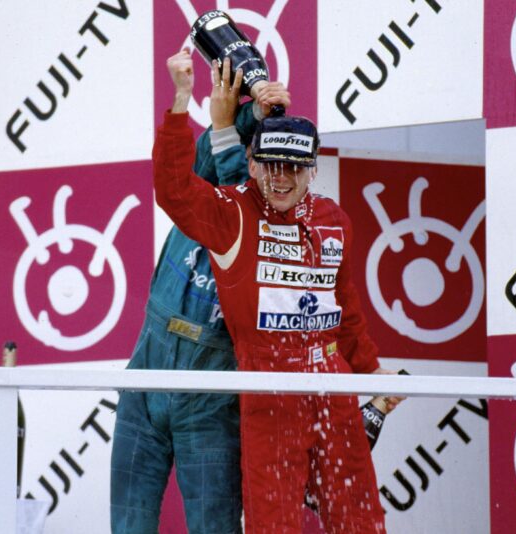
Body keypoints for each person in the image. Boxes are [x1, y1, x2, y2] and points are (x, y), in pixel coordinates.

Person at [152, 60, 402, 533]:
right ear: (251, 164)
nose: (281, 178)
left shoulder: (333, 218)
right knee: (274, 524)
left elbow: (345, 311)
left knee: (360, 521)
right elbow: (173, 190)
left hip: (334, 387)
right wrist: (180, 103)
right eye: (270, 165)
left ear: (312, 168)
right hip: (269, 392)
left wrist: (371, 371)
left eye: (294, 167)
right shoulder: (233, 214)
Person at [110, 49, 290, 534]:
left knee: (215, 528)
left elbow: (242, 196)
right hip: (144, 382)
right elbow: (185, 170)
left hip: (211, 398)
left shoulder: (275, 229)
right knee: (127, 526)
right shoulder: (197, 193)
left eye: (264, 162)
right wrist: (191, 99)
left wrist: (256, 118)